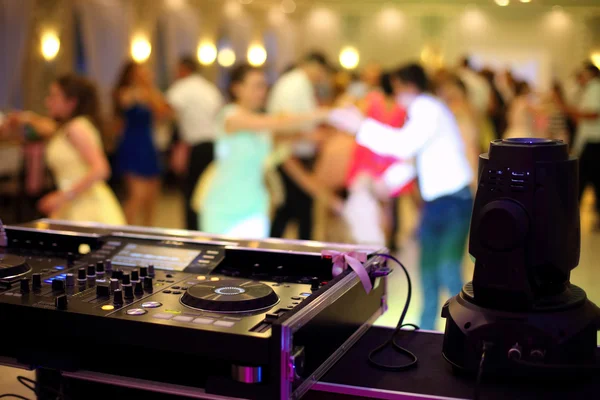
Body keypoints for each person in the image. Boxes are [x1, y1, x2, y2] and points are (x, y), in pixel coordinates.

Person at [328, 63, 473, 330]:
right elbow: (411, 159)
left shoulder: (426, 107)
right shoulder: (427, 112)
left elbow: (403, 145)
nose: (395, 97)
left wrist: (361, 127)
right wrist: (384, 183)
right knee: (428, 274)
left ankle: (463, 331)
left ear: (408, 86)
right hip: (438, 204)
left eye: (396, 89)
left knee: (447, 271)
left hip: (453, 203)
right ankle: (428, 333)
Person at [199, 64, 332, 238]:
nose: (262, 92)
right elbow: (276, 123)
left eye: (264, 86)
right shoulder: (230, 116)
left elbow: (285, 138)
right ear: (237, 88)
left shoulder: (262, 122)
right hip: (224, 205)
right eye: (256, 86)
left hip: (255, 204)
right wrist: (323, 113)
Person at [0, 74, 125, 224]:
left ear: (71, 102)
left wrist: (63, 196)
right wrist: (23, 118)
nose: (48, 102)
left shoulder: (76, 127)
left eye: (54, 96)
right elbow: (41, 125)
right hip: (74, 203)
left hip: (86, 206)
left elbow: (101, 169)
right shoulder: (66, 128)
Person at [267, 52, 331, 240]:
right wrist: (311, 136)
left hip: (294, 153)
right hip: (290, 156)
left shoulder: (300, 84)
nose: (321, 77)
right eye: (322, 71)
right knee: (298, 210)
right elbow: (283, 123)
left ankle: (277, 248)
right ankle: (302, 254)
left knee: (291, 209)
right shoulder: (294, 84)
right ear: (312, 65)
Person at [166, 56, 223, 231]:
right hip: (214, 145)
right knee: (207, 190)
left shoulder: (182, 88)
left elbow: (166, 112)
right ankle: (206, 227)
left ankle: (193, 232)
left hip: (195, 146)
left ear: (184, 69)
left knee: (192, 193)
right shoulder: (210, 88)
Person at [113, 62, 170, 226]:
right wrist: (146, 91)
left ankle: (148, 229)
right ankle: (125, 230)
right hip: (132, 144)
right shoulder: (126, 92)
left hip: (148, 143)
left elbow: (163, 112)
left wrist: (150, 89)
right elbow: (125, 103)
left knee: (152, 196)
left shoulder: (151, 92)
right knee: (137, 195)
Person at [568, 63, 600, 220]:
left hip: (593, 141)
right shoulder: (589, 89)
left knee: (583, 179)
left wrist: (568, 109)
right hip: (590, 140)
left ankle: (571, 216)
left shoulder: (595, 88)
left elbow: (593, 114)